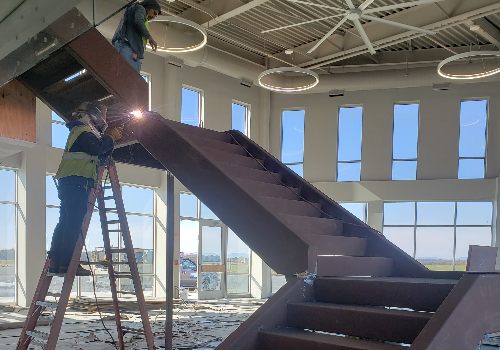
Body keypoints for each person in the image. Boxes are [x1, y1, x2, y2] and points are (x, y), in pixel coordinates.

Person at [48, 101, 123, 276]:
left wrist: (107, 145)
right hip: (77, 183)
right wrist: (111, 138)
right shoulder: (83, 131)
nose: (100, 124)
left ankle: (57, 262)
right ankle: (67, 264)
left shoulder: (79, 132)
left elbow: (96, 154)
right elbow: (97, 148)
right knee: (73, 224)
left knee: (65, 222)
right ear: (92, 117)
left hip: (71, 183)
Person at [112, 0, 161, 72]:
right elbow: (139, 21)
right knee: (127, 76)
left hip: (127, 48)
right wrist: (150, 38)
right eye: (154, 13)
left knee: (126, 77)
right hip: (126, 47)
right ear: (149, 8)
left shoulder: (133, 10)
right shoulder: (141, 8)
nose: (154, 16)